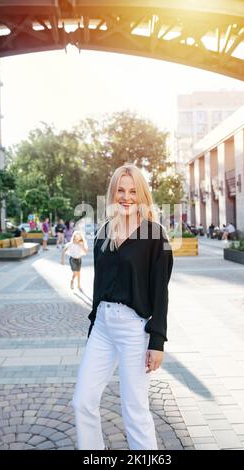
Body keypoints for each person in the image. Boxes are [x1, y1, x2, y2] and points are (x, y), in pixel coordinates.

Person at [72, 163, 173, 450]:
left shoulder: (155, 235)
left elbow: (160, 292)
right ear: (113, 194)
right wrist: (93, 327)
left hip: (134, 329)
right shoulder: (103, 231)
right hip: (103, 326)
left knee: (135, 409)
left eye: (133, 191)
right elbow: (99, 286)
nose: (126, 197)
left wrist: (157, 340)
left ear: (142, 195)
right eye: (120, 190)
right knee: (82, 401)